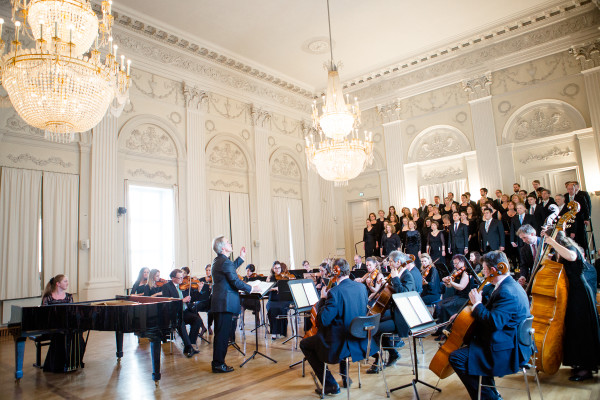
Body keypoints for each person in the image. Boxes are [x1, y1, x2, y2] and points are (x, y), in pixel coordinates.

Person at [448, 251, 532, 400]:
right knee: (470, 346)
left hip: (509, 349)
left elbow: (494, 322)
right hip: (510, 340)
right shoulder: (508, 284)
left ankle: (489, 397)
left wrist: (477, 304)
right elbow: (496, 313)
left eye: (485, 269)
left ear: (493, 270)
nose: (483, 273)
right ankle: (490, 392)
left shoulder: (507, 291)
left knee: (457, 357)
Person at [300, 258, 376, 395]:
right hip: (360, 340)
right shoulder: (361, 287)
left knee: (305, 344)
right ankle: (345, 377)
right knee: (343, 326)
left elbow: (323, 321)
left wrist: (323, 299)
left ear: (336, 271)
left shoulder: (335, 292)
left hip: (341, 343)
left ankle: (330, 385)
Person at [542, 231, 600, 380]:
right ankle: (578, 364)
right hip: (571, 293)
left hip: (580, 293)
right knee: (574, 328)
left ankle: (586, 368)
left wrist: (552, 242)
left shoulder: (569, 247)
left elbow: (572, 257)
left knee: (582, 328)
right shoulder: (561, 251)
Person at [210, 235, 256, 373]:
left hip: (220, 303)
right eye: (228, 242)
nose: (230, 243)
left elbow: (229, 269)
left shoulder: (220, 261)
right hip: (225, 303)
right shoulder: (225, 262)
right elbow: (235, 281)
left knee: (221, 335)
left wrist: (241, 258)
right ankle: (218, 364)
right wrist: (252, 288)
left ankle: (217, 363)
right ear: (223, 247)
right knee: (223, 336)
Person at [366, 251, 416, 373]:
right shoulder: (397, 274)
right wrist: (385, 283)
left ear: (398, 262)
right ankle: (392, 353)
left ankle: (379, 360)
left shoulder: (407, 276)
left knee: (374, 328)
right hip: (395, 312)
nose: (388, 264)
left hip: (403, 317)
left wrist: (395, 279)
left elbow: (403, 295)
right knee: (375, 320)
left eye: (391, 262)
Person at [41, 275, 85, 372]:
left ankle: (73, 362)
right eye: (65, 281)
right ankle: (58, 366)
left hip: (66, 326)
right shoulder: (48, 298)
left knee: (78, 334)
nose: (67, 283)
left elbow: (72, 313)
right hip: (52, 327)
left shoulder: (69, 297)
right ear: (58, 284)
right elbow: (44, 316)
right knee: (60, 335)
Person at [159, 269, 206, 357]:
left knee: (197, 320)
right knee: (180, 323)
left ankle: (190, 345)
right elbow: (168, 303)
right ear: (173, 278)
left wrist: (199, 290)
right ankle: (188, 346)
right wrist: (182, 301)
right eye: (179, 278)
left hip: (184, 312)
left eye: (182, 277)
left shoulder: (183, 287)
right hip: (174, 314)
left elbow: (194, 298)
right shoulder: (167, 287)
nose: (181, 280)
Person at [433, 255, 476, 340]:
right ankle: (439, 329)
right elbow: (450, 286)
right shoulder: (457, 271)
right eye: (454, 264)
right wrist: (446, 282)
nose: (455, 266)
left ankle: (445, 333)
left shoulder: (466, 273)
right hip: (458, 296)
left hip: (465, 298)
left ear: (463, 262)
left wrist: (451, 282)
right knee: (439, 304)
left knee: (445, 307)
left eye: (456, 263)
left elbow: (461, 287)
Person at [266, 261, 290, 340]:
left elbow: (288, 288)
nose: (277, 269)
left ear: (281, 268)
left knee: (282, 309)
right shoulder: (270, 278)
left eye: (279, 268)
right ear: (273, 269)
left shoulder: (285, 277)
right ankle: (274, 332)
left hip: (283, 299)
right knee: (271, 309)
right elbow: (266, 290)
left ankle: (282, 331)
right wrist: (273, 287)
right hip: (273, 299)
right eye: (275, 268)